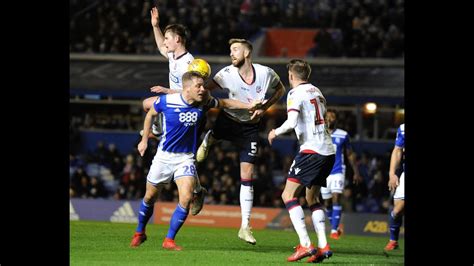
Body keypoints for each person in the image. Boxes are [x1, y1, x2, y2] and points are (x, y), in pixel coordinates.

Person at [130, 71, 261, 250]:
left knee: (185, 198)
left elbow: (225, 103)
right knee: (150, 197)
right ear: (187, 88)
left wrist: (249, 105)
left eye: (202, 85)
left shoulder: (204, 102)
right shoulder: (167, 101)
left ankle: (169, 240)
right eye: (198, 86)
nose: (202, 89)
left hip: (186, 158)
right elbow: (150, 114)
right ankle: (140, 232)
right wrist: (144, 140)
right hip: (164, 157)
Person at [196, 38, 286, 245]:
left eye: (235, 49)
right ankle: (210, 139)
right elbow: (203, 91)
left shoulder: (266, 73)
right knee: (215, 137)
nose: (231, 53)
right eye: (230, 50)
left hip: (249, 128)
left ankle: (245, 226)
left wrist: (265, 108)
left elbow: (280, 89)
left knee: (247, 174)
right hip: (228, 120)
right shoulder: (226, 74)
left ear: (247, 53)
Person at [267, 59, 335, 263]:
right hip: (328, 151)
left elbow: (292, 121)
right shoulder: (317, 92)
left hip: (311, 152)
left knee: (288, 195)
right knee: (312, 199)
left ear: (291, 76)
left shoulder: (295, 93)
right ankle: (323, 246)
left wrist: (275, 132)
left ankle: (305, 244)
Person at [321, 109, 362, 240]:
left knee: (336, 198)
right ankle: (336, 225)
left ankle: (333, 230)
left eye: (332, 117)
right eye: (327, 117)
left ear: (336, 120)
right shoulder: (319, 134)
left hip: (338, 171)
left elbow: (350, 154)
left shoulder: (343, 135)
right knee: (327, 203)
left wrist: (356, 172)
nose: (329, 119)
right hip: (323, 172)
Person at [384, 123, 405, 251]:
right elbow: (397, 150)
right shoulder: (403, 128)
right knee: (397, 212)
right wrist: (392, 174)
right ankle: (393, 241)